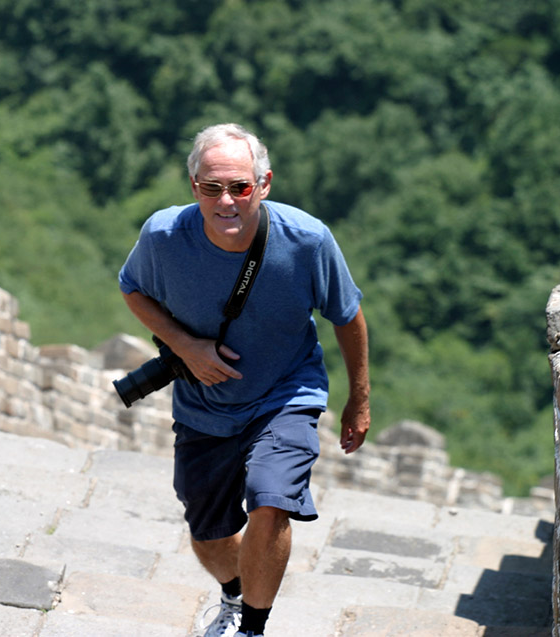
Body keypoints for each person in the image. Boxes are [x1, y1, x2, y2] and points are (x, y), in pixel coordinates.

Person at [118, 123, 370, 637]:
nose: (226, 200)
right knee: (209, 533)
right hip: (203, 406)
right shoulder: (164, 237)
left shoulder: (307, 241)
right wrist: (186, 347)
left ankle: (252, 628)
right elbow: (134, 291)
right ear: (194, 188)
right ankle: (235, 597)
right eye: (212, 188)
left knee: (272, 498)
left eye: (240, 186)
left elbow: (347, 317)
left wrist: (358, 400)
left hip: (286, 393)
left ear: (265, 183)